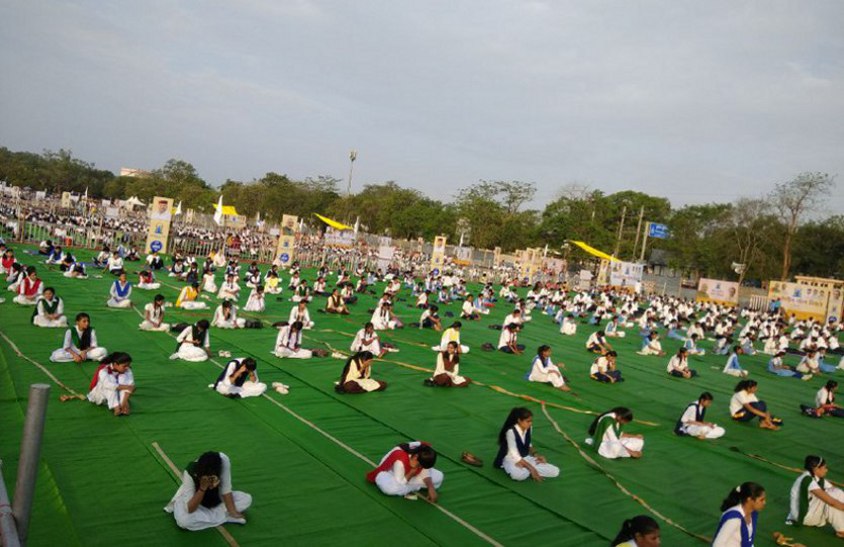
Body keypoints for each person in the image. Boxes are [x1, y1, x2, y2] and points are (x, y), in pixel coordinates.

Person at [164, 451, 251, 531]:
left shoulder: (223, 461)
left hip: (216, 498)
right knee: (183, 522)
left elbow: (226, 489)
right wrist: (203, 488)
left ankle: (222, 516)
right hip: (196, 501)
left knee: (246, 499)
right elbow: (190, 509)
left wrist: (233, 512)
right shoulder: (190, 472)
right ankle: (225, 517)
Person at [494, 407, 559, 481]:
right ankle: (529, 469)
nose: (530, 423)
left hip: (525, 458)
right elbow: (514, 455)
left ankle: (526, 468)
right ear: (519, 420)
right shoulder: (511, 432)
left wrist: (536, 455)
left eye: (531, 421)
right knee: (518, 476)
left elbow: (528, 444)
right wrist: (531, 468)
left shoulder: (529, 428)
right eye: (528, 421)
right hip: (511, 460)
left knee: (555, 471)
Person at [786, 455, 844, 537]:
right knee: (832, 500)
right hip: (804, 516)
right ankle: (841, 531)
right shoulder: (808, 480)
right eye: (824, 468)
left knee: (837, 492)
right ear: (816, 469)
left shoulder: (815, 477)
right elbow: (832, 502)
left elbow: (835, 490)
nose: (826, 470)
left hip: (811, 509)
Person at [366, 441, 443, 502]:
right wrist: (411, 474)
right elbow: (400, 482)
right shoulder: (401, 460)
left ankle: (407, 488)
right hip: (389, 473)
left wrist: (430, 487)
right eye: (420, 465)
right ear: (415, 457)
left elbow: (424, 470)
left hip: (408, 475)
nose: (420, 468)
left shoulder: (422, 453)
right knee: (390, 489)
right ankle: (411, 487)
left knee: (439, 477)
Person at [711, 482, 766, 547]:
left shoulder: (753, 514)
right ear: (749, 499)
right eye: (761, 500)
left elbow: (749, 540)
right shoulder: (734, 520)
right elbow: (717, 545)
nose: (764, 502)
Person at [82, 352, 135, 416]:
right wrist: (126, 387)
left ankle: (122, 405)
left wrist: (124, 403)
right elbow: (108, 385)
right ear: (115, 364)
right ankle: (116, 407)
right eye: (124, 366)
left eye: (128, 365)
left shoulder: (127, 370)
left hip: (117, 394)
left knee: (123, 379)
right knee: (110, 384)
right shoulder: (104, 370)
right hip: (100, 395)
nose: (127, 367)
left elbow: (130, 387)